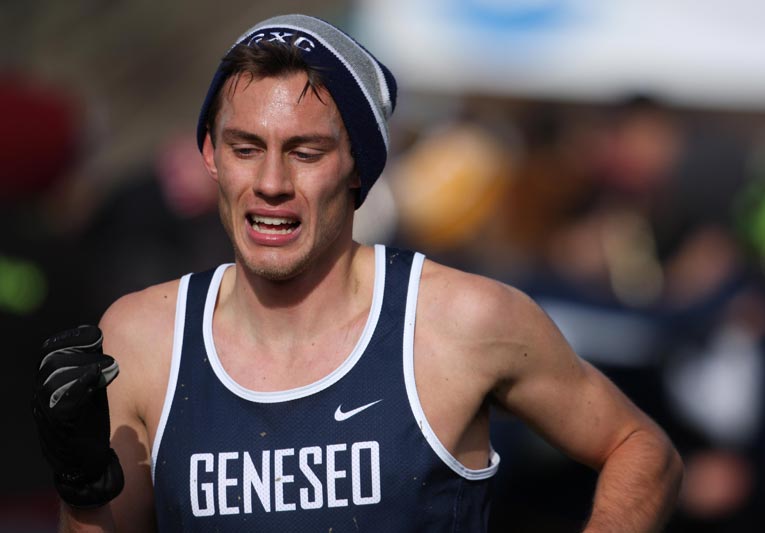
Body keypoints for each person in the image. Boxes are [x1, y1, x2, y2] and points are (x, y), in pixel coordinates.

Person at [31, 14, 683, 532]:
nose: (271, 183)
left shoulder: (460, 321)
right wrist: (83, 493)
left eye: (305, 152)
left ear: (358, 167)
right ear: (211, 156)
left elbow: (641, 448)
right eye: (246, 148)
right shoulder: (144, 338)